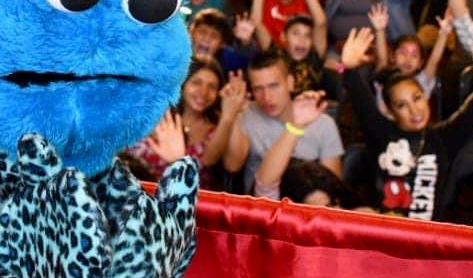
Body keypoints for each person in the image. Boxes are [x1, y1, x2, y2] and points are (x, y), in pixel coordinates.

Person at [341, 26, 473, 220]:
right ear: (391, 112)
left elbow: (472, 113)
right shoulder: (380, 132)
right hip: (386, 229)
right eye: (402, 105)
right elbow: (361, 101)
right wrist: (348, 69)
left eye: (417, 98)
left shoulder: (443, 138)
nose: (414, 110)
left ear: (425, 97)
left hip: (427, 234)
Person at [223, 50, 344, 196]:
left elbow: (334, 189)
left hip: (304, 205)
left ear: (290, 83)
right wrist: (235, 113)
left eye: (273, 86)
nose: (266, 97)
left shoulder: (324, 124)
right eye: (258, 89)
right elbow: (232, 166)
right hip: (260, 204)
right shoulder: (248, 114)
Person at [128, 57, 248, 190]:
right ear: (182, 84)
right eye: (196, 83)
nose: (204, 92)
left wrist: (232, 113)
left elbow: (221, 163)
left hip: (190, 199)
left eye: (212, 87)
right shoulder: (156, 111)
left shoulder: (220, 123)